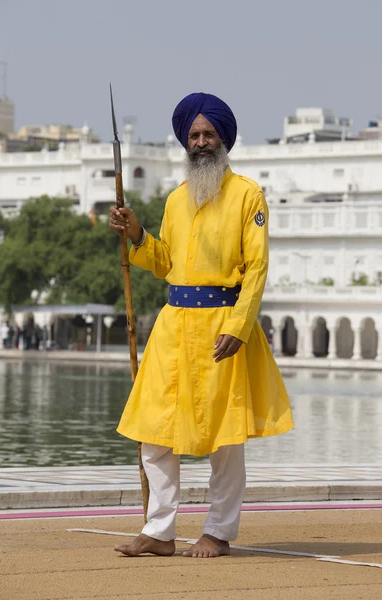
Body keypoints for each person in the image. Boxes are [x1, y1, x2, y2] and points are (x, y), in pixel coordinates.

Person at [110, 92, 294, 559]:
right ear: (185, 142)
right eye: (193, 135)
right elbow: (165, 260)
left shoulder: (247, 194)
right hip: (173, 329)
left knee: (224, 438)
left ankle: (218, 530)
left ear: (223, 139)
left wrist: (240, 324)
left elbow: (256, 268)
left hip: (222, 328)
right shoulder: (175, 199)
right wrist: (137, 235)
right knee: (153, 428)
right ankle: (160, 530)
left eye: (209, 133)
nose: (201, 141)